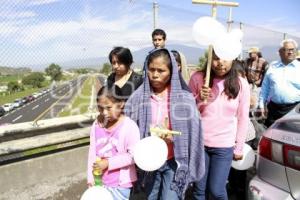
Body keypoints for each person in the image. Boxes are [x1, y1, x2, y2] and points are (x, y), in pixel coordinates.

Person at [125, 48, 205, 200]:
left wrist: (173, 137)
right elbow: (127, 128)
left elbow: (193, 131)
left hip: (174, 161)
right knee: (151, 197)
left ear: (172, 71)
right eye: (151, 69)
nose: (155, 75)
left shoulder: (185, 99)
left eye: (161, 70)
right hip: (149, 162)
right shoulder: (138, 98)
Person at [189, 50, 250, 200]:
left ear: (232, 59)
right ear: (209, 59)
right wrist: (198, 99)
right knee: (199, 190)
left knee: (216, 190)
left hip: (224, 146)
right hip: (199, 144)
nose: (220, 63)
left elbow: (243, 117)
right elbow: (186, 112)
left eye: (225, 58)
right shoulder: (198, 78)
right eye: (216, 58)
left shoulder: (240, 83)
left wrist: (239, 146)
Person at [87, 85, 140, 200]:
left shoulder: (129, 126)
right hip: (99, 182)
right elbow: (92, 153)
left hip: (120, 187)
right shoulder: (97, 125)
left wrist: (108, 163)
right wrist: (90, 178)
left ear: (121, 104)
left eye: (108, 108)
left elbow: (133, 156)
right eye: (100, 108)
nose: (104, 113)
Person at [259, 39, 300, 128]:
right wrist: (262, 105)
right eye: (286, 49)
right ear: (280, 52)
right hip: (273, 110)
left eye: (292, 49)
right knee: (271, 135)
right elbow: (265, 88)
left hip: (293, 110)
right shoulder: (272, 66)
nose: (290, 52)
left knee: (291, 136)